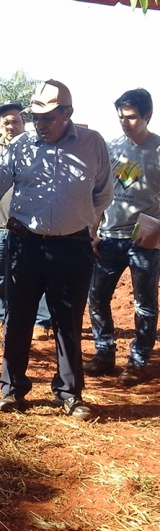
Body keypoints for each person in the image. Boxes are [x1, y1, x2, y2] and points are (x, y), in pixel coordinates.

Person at [0, 80, 113, 420]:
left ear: (68, 113)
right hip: (26, 245)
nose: (40, 125)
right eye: (35, 118)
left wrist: (87, 225)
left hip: (73, 247)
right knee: (17, 319)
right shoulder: (21, 147)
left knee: (68, 323)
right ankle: (12, 390)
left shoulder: (92, 145)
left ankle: (69, 394)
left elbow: (103, 193)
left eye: (47, 118)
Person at [85, 89, 160, 386]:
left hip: (145, 243)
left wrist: (157, 232)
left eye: (131, 117)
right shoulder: (110, 148)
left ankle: (138, 362)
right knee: (97, 297)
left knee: (145, 304)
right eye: (120, 118)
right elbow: (98, 193)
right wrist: (92, 232)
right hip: (110, 238)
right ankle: (104, 354)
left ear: (147, 116)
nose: (125, 123)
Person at [0, 100, 51, 340]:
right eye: (6, 121)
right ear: (0, 124)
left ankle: (42, 322)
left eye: (15, 121)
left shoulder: (37, 147)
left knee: (37, 276)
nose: (11, 125)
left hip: (29, 229)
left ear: (23, 122)